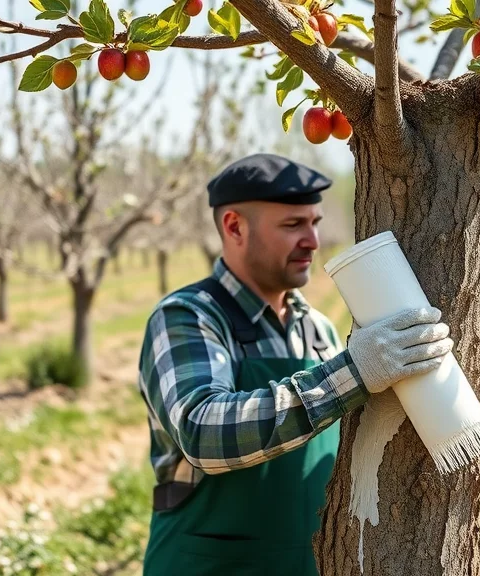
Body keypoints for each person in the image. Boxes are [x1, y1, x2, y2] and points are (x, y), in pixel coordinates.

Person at [137, 153, 453, 575]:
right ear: (234, 227)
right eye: (292, 225)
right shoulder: (189, 317)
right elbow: (203, 432)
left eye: (314, 223)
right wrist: (353, 374)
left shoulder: (317, 328)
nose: (312, 241)